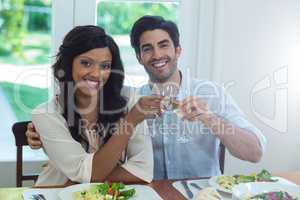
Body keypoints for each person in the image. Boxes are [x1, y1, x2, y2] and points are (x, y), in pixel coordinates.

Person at [27, 16, 266, 180]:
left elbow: (254, 153)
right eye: (147, 48)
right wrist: (44, 134)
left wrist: (209, 118)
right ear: (139, 57)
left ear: (178, 50)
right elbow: (84, 126)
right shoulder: (131, 101)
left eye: (164, 45)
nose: (157, 55)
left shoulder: (210, 94)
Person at [29, 25, 161, 186]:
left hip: (104, 195)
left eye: (105, 66)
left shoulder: (130, 100)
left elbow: (143, 171)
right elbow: (89, 174)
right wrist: (130, 121)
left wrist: (80, 179)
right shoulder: (46, 114)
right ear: (68, 64)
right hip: (54, 192)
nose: (96, 74)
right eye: (86, 63)